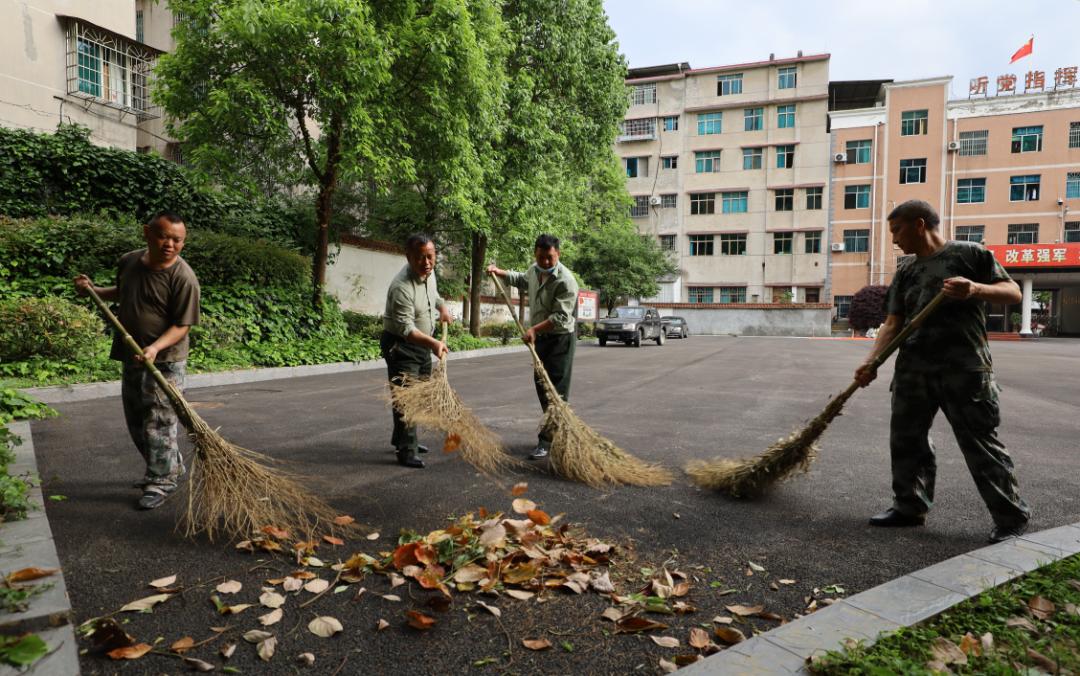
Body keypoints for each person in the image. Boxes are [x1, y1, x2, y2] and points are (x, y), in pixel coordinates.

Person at [854, 200, 1030, 544]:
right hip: (913, 370)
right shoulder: (906, 270)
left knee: (980, 443)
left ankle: (1010, 517)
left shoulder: (970, 254)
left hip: (965, 370)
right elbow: (893, 322)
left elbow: (1012, 292)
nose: (894, 240)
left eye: (897, 230)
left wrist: (974, 289)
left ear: (919, 224)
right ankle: (909, 506)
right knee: (907, 440)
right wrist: (872, 360)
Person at [74, 212, 200, 510]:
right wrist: (94, 291)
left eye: (177, 240)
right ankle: (170, 466)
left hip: (165, 360)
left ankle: (161, 481)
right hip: (132, 355)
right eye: (163, 236)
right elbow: (124, 291)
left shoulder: (184, 278)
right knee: (135, 420)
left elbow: (182, 326)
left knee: (158, 421)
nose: (170, 244)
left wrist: (155, 348)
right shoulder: (129, 261)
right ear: (147, 233)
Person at [487, 234, 579, 460]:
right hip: (540, 338)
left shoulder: (566, 281)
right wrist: (501, 273)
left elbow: (559, 317)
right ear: (535, 254)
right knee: (541, 386)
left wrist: (534, 330)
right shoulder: (535, 270)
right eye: (541, 257)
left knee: (555, 390)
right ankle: (555, 434)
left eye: (549, 258)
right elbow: (521, 279)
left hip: (560, 339)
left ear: (558, 254)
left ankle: (548, 441)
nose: (545, 262)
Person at [381, 234, 451, 469]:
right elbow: (406, 329)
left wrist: (442, 308)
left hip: (422, 344)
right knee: (406, 398)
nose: (426, 262)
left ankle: (403, 439)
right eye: (420, 258)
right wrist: (434, 344)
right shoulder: (401, 287)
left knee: (416, 396)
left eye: (430, 256)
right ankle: (407, 449)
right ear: (409, 257)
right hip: (402, 346)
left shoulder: (429, 276)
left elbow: (435, 297)